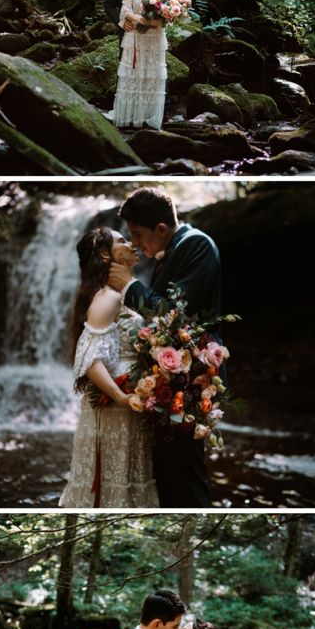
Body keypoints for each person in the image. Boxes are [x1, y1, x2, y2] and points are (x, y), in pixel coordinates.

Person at [109, 186, 222, 507]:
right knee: (168, 474)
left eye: (137, 234)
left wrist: (129, 287)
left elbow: (175, 313)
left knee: (184, 475)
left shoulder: (196, 245)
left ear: (161, 228)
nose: (134, 244)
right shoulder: (172, 249)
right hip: (169, 381)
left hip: (192, 380)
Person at [59, 226, 158, 508]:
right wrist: (120, 397)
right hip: (115, 407)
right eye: (122, 241)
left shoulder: (114, 293)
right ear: (105, 255)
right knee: (110, 486)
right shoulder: (108, 297)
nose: (131, 244)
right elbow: (89, 359)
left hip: (127, 405)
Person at [112, 0, 169, 130]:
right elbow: (124, 11)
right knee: (134, 74)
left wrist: (163, 18)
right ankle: (130, 116)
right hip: (136, 36)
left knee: (151, 75)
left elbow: (168, 16)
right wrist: (140, 19)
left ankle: (148, 117)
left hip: (155, 37)